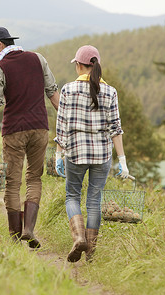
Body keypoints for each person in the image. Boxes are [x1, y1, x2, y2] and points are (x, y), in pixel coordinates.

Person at [0, 27, 60, 248]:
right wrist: (65, 124)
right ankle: (29, 230)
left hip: (14, 131)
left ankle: (15, 238)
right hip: (40, 129)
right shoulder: (38, 59)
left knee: (13, 183)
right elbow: (52, 92)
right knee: (34, 178)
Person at [54, 45, 129, 262]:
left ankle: (78, 237)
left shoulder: (68, 90)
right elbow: (116, 128)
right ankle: (91, 254)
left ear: (79, 65)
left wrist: (59, 154)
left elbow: (61, 126)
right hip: (102, 155)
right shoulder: (111, 91)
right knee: (94, 202)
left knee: (72, 196)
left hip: (75, 152)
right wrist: (122, 161)